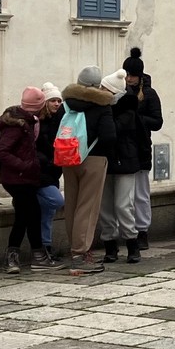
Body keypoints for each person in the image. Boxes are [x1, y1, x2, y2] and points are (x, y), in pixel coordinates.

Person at [61, 66, 118, 275]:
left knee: (72, 205)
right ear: (97, 84)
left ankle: (74, 250)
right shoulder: (102, 105)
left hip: (68, 157)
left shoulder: (66, 104)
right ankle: (80, 255)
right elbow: (109, 136)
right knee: (88, 206)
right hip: (93, 159)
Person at [0, 86, 53, 272]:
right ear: (39, 105)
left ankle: (35, 256)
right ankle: (16, 258)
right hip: (17, 179)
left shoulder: (28, 121)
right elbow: (2, 151)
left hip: (24, 178)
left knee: (30, 214)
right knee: (26, 216)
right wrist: (24, 166)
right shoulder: (17, 124)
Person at [97, 68, 144, 264]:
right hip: (104, 160)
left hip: (125, 160)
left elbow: (114, 130)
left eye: (104, 88)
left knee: (123, 205)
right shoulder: (101, 109)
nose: (100, 91)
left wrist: (105, 112)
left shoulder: (127, 109)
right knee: (105, 206)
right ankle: (109, 244)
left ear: (114, 92)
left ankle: (132, 242)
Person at [123, 50, 163, 250]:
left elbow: (157, 122)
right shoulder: (120, 92)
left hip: (141, 147)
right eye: (127, 74)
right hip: (123, 148)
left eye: (132, 75)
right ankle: (126, 230)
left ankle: (142, 231)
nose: (129, 79)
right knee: (124, 195)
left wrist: (137, 120)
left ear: (139, 76)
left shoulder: (149, 94)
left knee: (140, 193)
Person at [35, 84, 66, 258]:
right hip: (41, 173)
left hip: (53, 172)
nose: (56, 104)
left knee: (48, 212)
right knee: (56, 201)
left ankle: (46, 246)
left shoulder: (60, 121)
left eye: (59, 101)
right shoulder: (38, 122)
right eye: (53, 100)